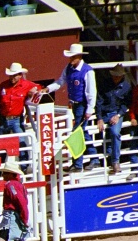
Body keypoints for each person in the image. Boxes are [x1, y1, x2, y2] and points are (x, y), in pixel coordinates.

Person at [41, 43, 98, 172]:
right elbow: (60, 81)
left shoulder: (88, 71)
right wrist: (48, 89)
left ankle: (78, 164)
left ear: (79, 56)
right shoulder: (69, 68)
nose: (71, 60)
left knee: (76, 132)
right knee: (82, 131)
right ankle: (94, 158)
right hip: (74, 104)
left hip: (82, 105)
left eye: (73, 57)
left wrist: (89, 109)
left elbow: (91, 92)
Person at [0, 62, 39, 170]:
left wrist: (34, 91)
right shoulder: (3, 86)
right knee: (1, 145)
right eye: (11, 75)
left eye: (14, 75)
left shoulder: (27, 85)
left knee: (21, 142)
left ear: (20, 75)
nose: (12, 77)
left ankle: (24, 166)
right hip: (3, 119)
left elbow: (40, 88)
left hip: (16, 119)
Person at [95, 64, 131, 175]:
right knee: (102, 133)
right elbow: (99, 102)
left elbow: (126, 103)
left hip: (116, 113)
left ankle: (115, 161)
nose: (116, 78)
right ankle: (101, 161)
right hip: (105, 112)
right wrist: (99, 118)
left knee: (115, 133)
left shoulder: (126, 87)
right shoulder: (104, 84)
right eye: (114, 76)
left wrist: (119, 115)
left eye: (118, 76)